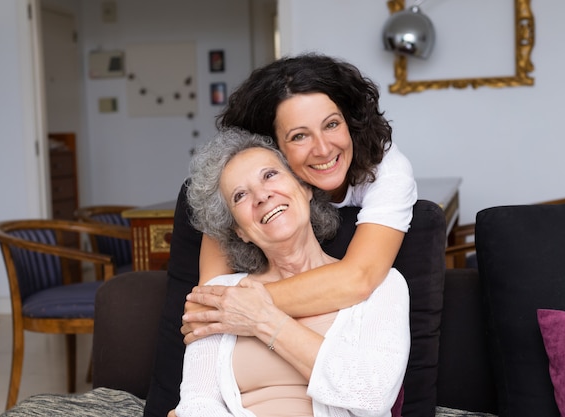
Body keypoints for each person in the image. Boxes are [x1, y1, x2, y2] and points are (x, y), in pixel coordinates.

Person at [174, 128, 410, 417]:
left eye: (270, 175)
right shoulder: (222, 295)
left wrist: (264, 320)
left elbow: (374, 395)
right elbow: (197, 404)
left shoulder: (382, 284)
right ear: (239, 230)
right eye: (240, 195)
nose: (261, 196)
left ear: (305, 187)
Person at [182, 53, 417, 341]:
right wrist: (220, 308)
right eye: (299, 136)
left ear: (350, 121)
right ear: (271, 147)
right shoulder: (242, 192)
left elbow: (358, 278)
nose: (323, 149)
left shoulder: (389, 171)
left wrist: (238, 307)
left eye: (332, 124)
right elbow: (208, 297)